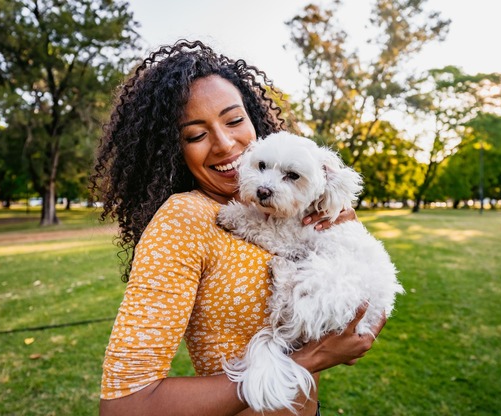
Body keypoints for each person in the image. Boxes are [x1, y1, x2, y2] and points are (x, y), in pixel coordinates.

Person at [92, 39, 387, 416]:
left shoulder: (298, 208)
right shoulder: (184, 219)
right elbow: (125, 407)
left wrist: (348, 235)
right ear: (170, 150)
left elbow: (362, 324)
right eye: (196, 135)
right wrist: (309, 360)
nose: (225, 143)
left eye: (234, 120)